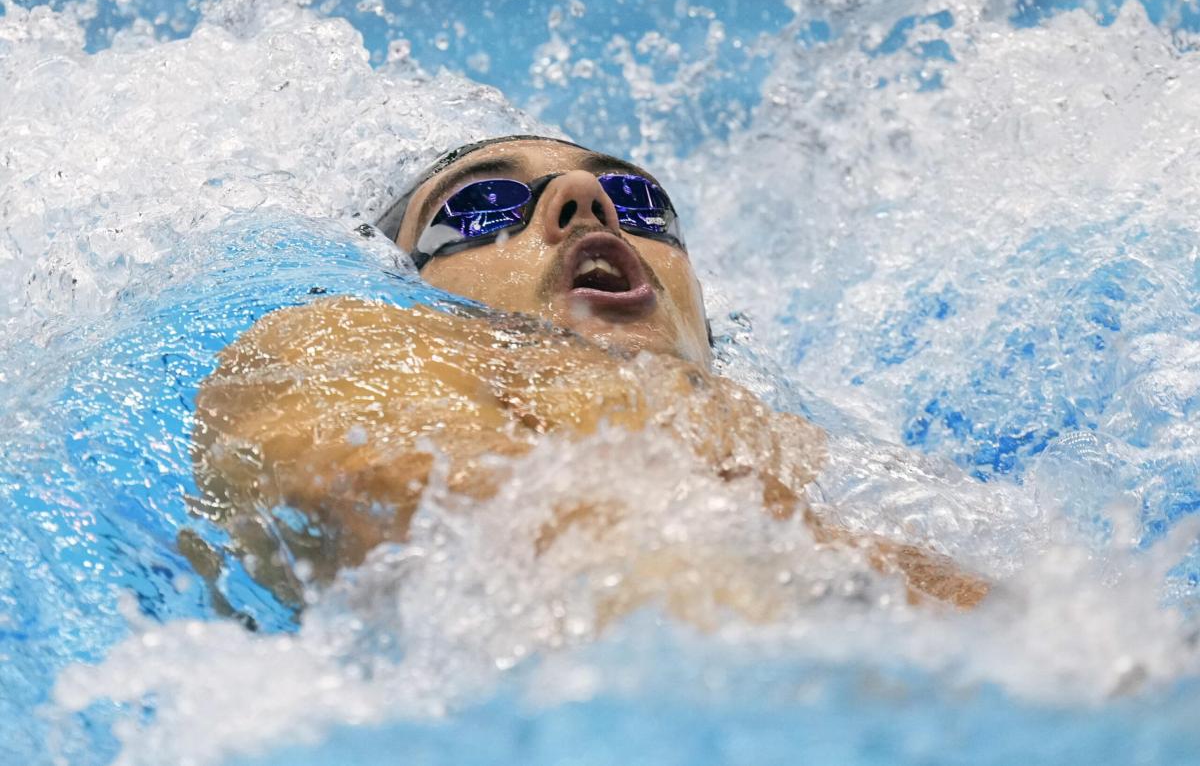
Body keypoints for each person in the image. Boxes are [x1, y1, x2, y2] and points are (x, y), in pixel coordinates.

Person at [186, 135, 988, 621]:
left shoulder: (826, 458)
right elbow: (393, 504)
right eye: (481, 206)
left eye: (642, 202)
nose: (587, 200)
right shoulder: (339, 341)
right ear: (398, 282)